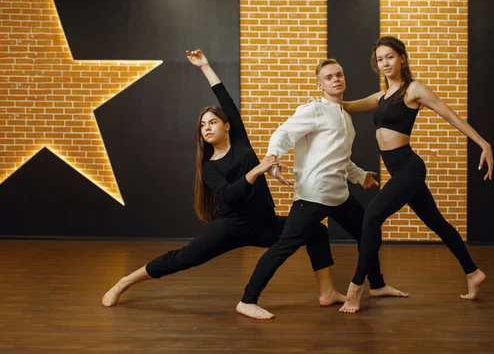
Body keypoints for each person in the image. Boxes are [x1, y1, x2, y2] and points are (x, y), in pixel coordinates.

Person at [102, 50, 342, 316]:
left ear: (227, 126)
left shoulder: (240, 142)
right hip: (231, 227)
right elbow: (230, 196)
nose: (207, 128)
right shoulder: (210, 167)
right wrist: (258, 170)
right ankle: (124, 282)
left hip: (265, 223)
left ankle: (327, 292)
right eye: (203, 125)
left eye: (213, 122)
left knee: (317, 232)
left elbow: (224, 97)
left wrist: (205, 66)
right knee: (182, 259)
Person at [236, 58, 407, 320]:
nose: (335, 79)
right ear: (320, 84)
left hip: (338, 195)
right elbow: (282, 134)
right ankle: (247, 300)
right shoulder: (313, 110)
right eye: (328, 77)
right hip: (313, 194)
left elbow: (340, 158)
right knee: (284, 247)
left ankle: (377, 285)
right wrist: (272, 162)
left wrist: (360, 176)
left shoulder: (345, 117)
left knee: (368, 232)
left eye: (339, 75)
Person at [338, 36, 493, 313]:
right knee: (437, 222)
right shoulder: (382, 96)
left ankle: (356, 289)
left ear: (402, 58)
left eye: (390, 57)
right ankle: (473, 272)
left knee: (371, 216)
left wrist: (483, 143)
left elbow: (451, 116)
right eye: (381, 59)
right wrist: (328, 97)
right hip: (399, 169)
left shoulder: (413, 90)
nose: (385, 63)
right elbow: (348, 105)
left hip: (409, 168)